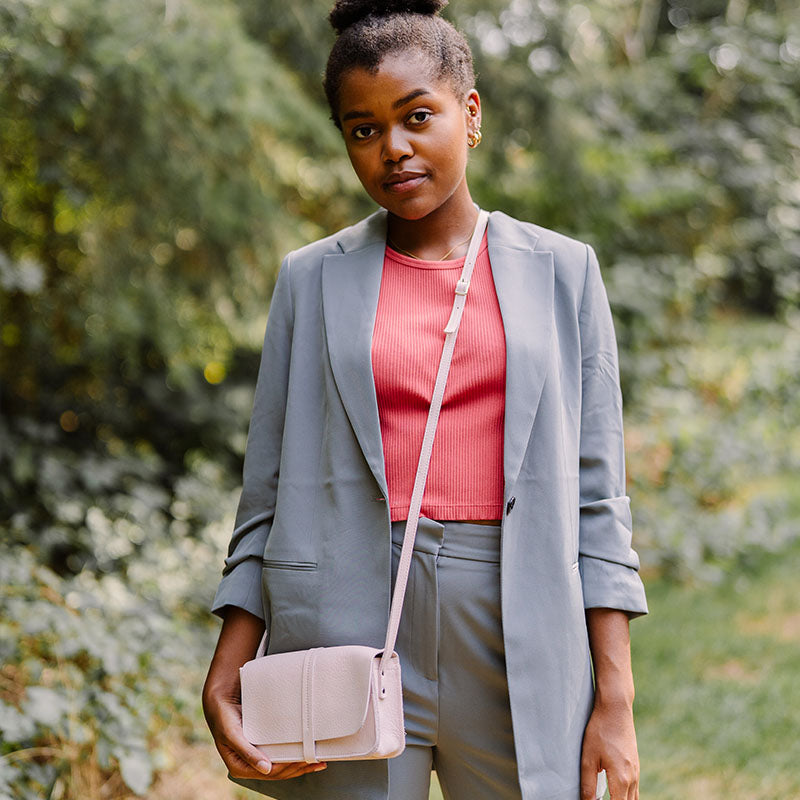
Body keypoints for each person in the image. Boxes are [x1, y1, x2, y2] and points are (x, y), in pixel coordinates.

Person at [202, 1, 648, 798]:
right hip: (348, 629)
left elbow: (596, 498)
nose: (393, 149)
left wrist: (616, 695)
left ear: (469, 114)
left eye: (416, 116)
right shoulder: (310, 279)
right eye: (362, 129)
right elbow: (266, 492)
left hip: (518, 627)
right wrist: (231, 659)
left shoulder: (563, 271)